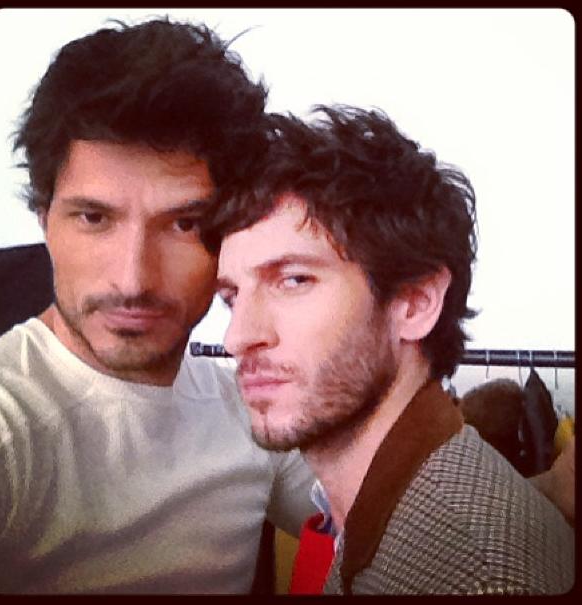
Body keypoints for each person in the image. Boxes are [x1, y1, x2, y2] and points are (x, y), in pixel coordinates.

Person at [0, 18, 316, 594]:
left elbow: (394, 518)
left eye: (184, 224)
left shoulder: (247, 410)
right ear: (45, 220)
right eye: (94, 218)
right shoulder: (4, 425)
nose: (134, 278)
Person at [207, 106, 575, 595]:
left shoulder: (479, 578)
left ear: (415, 303)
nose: (237, 337)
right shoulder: (386, 514)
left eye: (293, 280)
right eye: (232, 297)